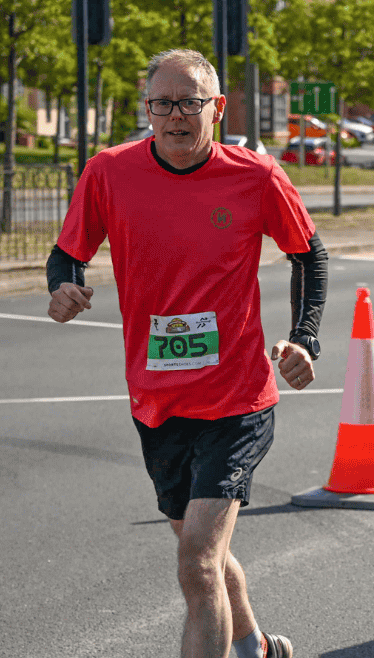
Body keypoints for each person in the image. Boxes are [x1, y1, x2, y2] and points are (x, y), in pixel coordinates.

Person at [46, 49, 324, 658]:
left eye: (190, 103)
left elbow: (309, 254)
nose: (176, 115)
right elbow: (68, 252)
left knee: (197, 559)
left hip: (237, 399)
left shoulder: (256, 176)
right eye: (163, 103)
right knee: (206, 556)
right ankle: (255, 647)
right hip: (157, 401)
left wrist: (305, 337)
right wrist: (62, 287)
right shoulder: (108, 172)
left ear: (217, 108)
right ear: (147, 109)